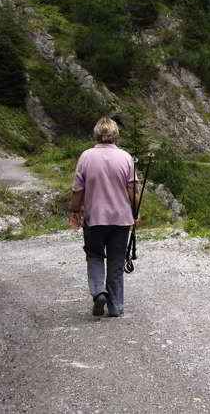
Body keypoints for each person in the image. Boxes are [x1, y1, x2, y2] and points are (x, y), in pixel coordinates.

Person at [68, 117, 137, 318]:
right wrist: (136, 213)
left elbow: (77, 190)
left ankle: (99, 292)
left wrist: (74, 211)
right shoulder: (126, 158)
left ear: (96, 133)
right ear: (115, 134)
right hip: (121, 218)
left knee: (95, 255)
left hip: (94, 217)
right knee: (116, 261)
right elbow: (133, 190)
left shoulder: (86, 157)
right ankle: (115, 307)